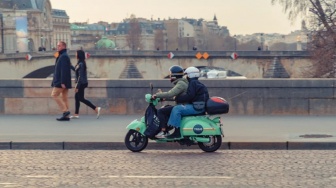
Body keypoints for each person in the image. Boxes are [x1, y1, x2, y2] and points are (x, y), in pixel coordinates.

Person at [167, 66, 209, 138]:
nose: (185, 77)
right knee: (179, 108)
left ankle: (176, 132)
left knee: (177, 109)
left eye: (186, 75)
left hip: (197, 107)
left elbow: (189, 95)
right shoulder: (198, 83)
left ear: (190, 75)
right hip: (199, 106)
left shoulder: (193, 83)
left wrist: (178, 99)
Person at [151, 65, 188, 138]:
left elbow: (170, 94)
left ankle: (164, 131)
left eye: (171, 74)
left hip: (182, 106)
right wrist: (164, 98)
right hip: (182, 105)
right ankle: (166, 129)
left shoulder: (181, 84)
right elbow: (176, 97)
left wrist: (156, 95)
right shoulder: (181, 83)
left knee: (161, 111)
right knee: (166, 108)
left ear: (175, 75)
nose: (170, 77)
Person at [70, 50, 101, 119]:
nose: (75, 54)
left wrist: (77, 86)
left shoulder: (81, 64)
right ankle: (76, 114)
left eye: (76, 53)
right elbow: (75, 70)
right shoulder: (80, 63)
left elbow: (80, 76)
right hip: (81, 83)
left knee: (81, 98)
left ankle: (95, 108)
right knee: (77, 98)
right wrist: (70, 65)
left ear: (79, 55)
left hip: (81, 83)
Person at [51, 41, 72, 121]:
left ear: (64, 47)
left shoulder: (63, 56)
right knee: (64, 98)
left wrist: (63, 82)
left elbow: (64, 70)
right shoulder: (63, 55)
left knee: (54, 95)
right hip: (64, 81)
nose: (57, 47)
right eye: (57, 46)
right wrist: (57, 53)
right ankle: (66, 116)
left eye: (59, 46)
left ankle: (65, 111)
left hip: (61, 81)